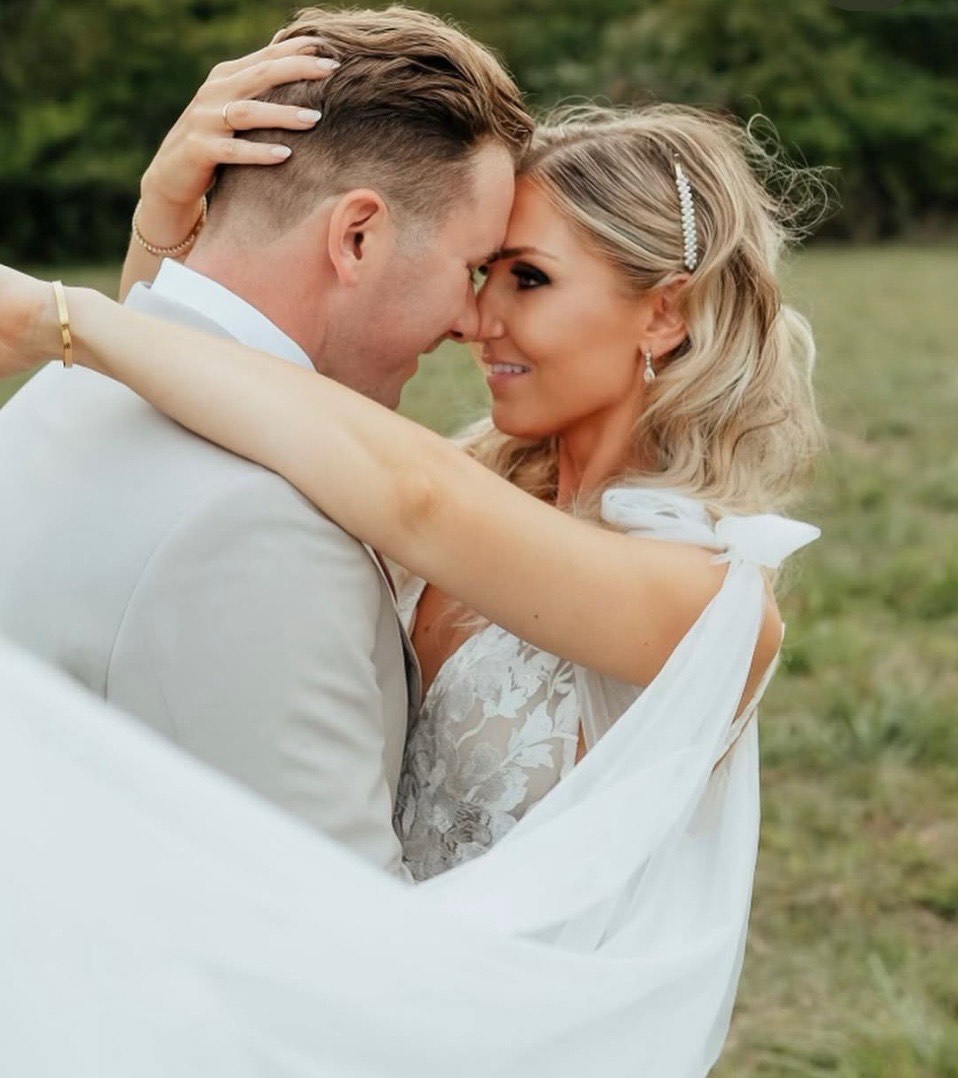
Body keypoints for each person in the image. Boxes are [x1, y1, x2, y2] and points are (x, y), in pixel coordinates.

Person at [0, 82, 823, 1070]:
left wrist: (70, 317)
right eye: (482, 273)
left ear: (662, 315)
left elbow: (407, 495)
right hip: (352, 1000)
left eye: (525, 279)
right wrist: (162, 241)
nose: (477, 320)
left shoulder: (708, 596)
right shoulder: (483, 488)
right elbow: (232, 418)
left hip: (490, 1038)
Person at [0, 6, 532, 877]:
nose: (474, 321)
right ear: (356, 237)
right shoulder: (258, 530)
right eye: (471, 270)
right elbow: (327, 951)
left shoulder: (69, 386)